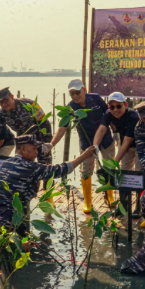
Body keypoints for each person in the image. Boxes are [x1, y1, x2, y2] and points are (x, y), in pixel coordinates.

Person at [0, 135, 96, 235]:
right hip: (11, 221)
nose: (37, 152)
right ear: (23, 149)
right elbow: (60, 170)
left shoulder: (5, 164)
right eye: (34, 149)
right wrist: (84, 155)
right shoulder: (30, 167)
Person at [49, 79, 114, 212]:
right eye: (72, 93)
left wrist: (117, 133)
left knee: (109, 167)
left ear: (84, 90)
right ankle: (88, 202)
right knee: (85, 170)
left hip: (105, 138)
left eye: (77, 92)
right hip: (86, 142)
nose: (75, 96)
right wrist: (51, 145)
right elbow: (61, 129)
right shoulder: (70, 107)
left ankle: (109, 196)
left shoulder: (96, 99)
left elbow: (109, 115)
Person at [0, 87, 53, 165]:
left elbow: (45, 123)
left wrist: (47, 142)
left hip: (39, 138)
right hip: (22, 141)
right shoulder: (1, 113)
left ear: (12, 97)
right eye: (0, 102)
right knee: (20, 166)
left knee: (45, 166)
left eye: (6, 101)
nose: (4, 104)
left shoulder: (30, 104)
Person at [93, 91, 142, 212]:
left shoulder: (133, 116)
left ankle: (140, 206)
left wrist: (112, 165)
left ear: (125, 105)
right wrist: (95, 146)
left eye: (119, 106)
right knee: (123, 173)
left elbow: (126, 142)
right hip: (126, 143)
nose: (115, 110)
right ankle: (123, 204)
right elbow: (101, 130)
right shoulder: (109, 114)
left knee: (139, 174)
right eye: (112, 107)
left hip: (141, 145)